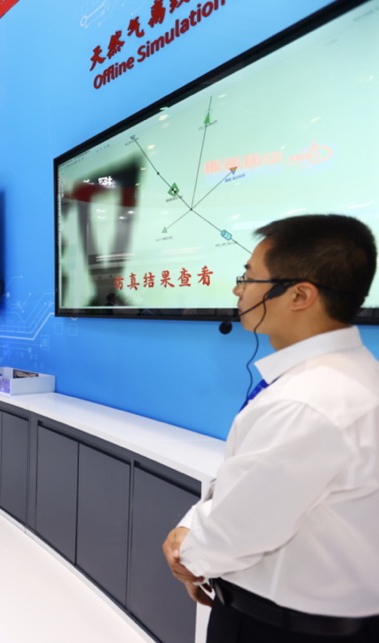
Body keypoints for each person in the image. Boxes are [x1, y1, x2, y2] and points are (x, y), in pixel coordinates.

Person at [163, 214, 379, 642]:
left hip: (281, 627)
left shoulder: (308, 401)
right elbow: (247, 484)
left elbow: (237, 531)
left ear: (299, 295)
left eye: (249, 277)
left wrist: (187, 553)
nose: (238, 290)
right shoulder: (344, 376)